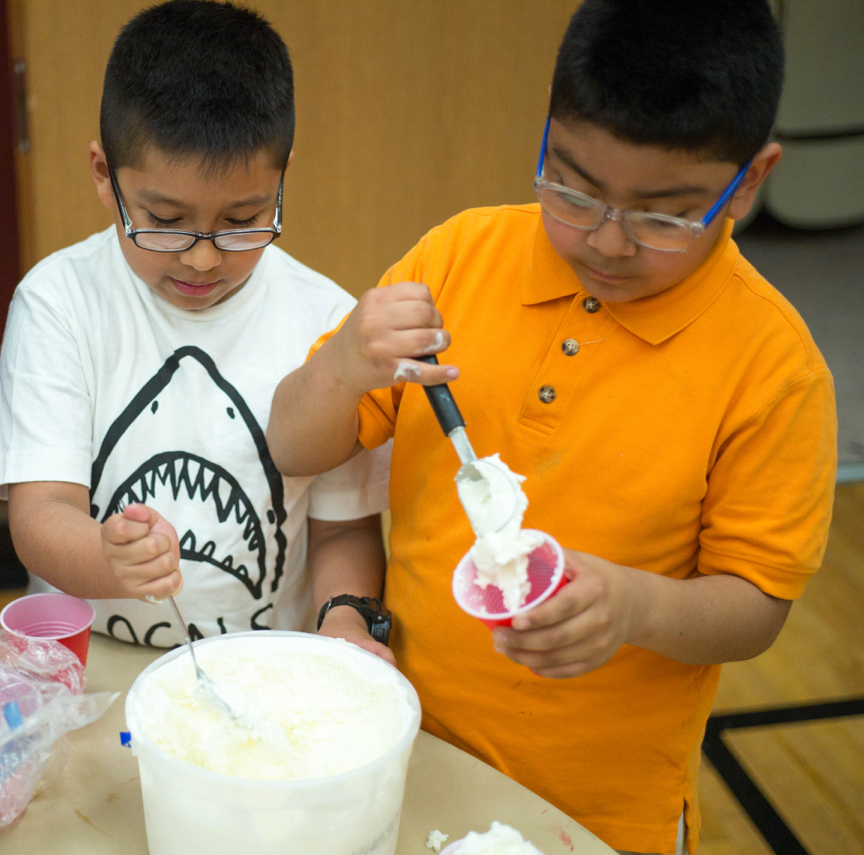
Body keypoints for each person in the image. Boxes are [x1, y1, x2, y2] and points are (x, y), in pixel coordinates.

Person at [265, 2, 835, 853]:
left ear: (749, 181)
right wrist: (340, 365)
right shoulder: (459, 259)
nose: (607, 239)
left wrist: (633, 605)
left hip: (605, 815)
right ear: (547, 123)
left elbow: (756, 606)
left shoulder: (773, 367)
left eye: (663, 214)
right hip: (407, 756)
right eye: (573, 188)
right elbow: (292, 447)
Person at [0, 0, 391, 657]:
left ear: (281, 178)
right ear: (104, 176)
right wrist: (106, 555)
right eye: (165, 219)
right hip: (90, 666)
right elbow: (37, 515)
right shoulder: (57, 301)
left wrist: (343, 620)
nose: (203, 256)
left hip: (266, 668)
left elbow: (344, 530)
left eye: (242, 220)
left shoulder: (327, 324)